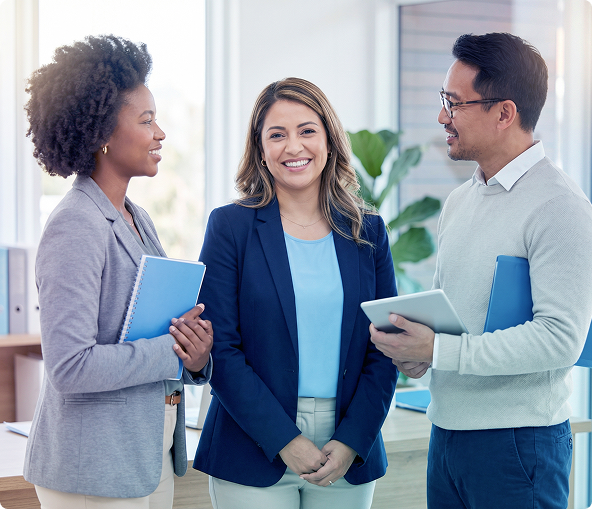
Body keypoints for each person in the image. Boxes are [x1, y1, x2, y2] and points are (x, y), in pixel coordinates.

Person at [370, 32, 592, 509]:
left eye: (454, 103)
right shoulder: (461, 200)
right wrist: (419, 352)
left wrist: (442, 350)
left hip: (517, 444)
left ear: (504, 113)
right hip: (448, 434)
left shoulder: (560, 206)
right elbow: (450, 320)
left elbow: (560, 339)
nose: (441, 117)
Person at [23, 35, 213, 509]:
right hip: (91, 471)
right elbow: (70, 366)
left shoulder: (137, 217)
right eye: (147, 120)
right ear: (103, 132)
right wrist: (171, 349)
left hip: (147, 457)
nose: (161, 133)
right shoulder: (75, 224)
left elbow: (152, 331)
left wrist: (194, 355)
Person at [193, 77, 398, 508]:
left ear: (329, 139)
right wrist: (285, 440)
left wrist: (351, 440)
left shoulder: (369, 232)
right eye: (277, 135)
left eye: (307, 130)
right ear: (261, 149)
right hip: (251, 442)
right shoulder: (230, 228)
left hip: (348, 445)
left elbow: (385, 350)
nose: (294, 146)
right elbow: (221, 349)